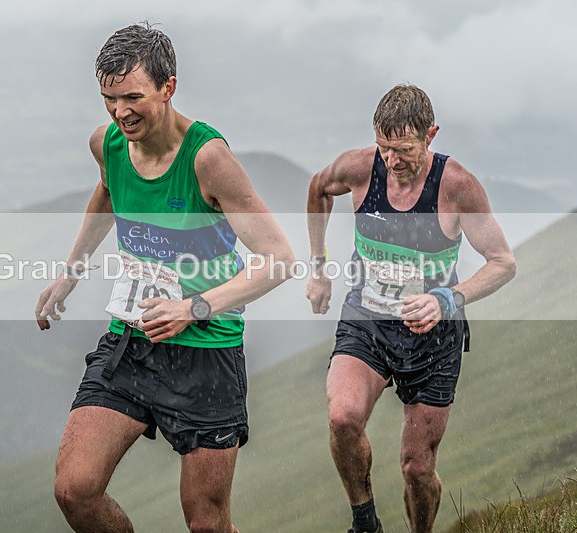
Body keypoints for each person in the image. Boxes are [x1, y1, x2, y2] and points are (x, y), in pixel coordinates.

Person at [34, 23, 294, 533]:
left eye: (133, 97)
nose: (120, 112)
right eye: (109, 98)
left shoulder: (208, 159)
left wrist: (193, 307)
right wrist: (69, 273)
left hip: (206, 350)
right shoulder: (107, 143)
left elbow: (279, 257)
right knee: (75, 490)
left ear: (168, 87)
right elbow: (108, 193)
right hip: (133, 339)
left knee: (207, 523)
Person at [305, 84, 516, 533]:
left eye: (403, 150)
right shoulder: (361, 168)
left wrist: (448, 298)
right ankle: (365, 522)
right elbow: (318, 188)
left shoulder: (456, 186)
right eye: (384, 148)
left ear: (430, 135)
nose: (392, 161)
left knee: (416, 467)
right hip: (368, 320)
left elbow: (503, 263)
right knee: (342, 417)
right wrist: (318, 267)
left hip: (434, 337)